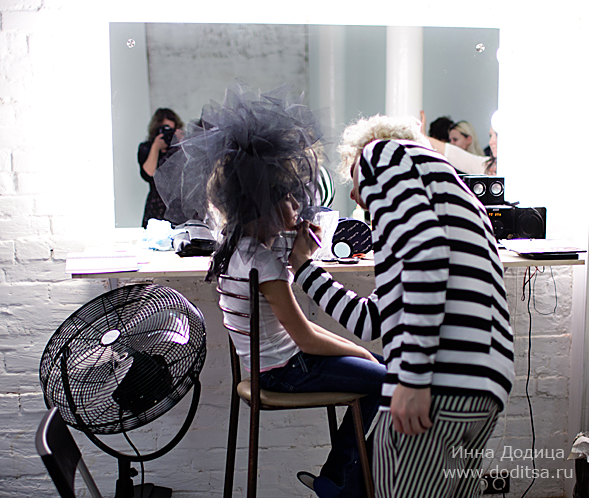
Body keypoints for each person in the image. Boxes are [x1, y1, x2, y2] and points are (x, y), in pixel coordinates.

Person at [159, 83, 386, 498]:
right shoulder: (263, 262)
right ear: (264, 204)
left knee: (385, 370)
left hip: (276, 365)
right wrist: (360, 351)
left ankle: (335, 478)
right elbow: (305, 338)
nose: (298, 206)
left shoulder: (237, 247)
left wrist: (299, 252)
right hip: (286, 372)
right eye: (289, 198)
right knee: (389, 381)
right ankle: (344, 484)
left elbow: (299, 332)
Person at [290, 114, 514, 498]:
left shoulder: (382, 155)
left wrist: (412, 377)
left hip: (440, 379)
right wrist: (303, 267)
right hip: (483, 382)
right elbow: (370, 320)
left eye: (353, 180)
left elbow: (428, 251)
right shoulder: (444, 189)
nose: (355, 196)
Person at [137, 108, 184, 227]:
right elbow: (148, 174)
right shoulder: (146, 148)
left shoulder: (177, 150)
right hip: (156, 205)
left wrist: (182, 143)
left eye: (172, 130)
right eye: (166, 129)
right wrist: (156, 147)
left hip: (177, 205)